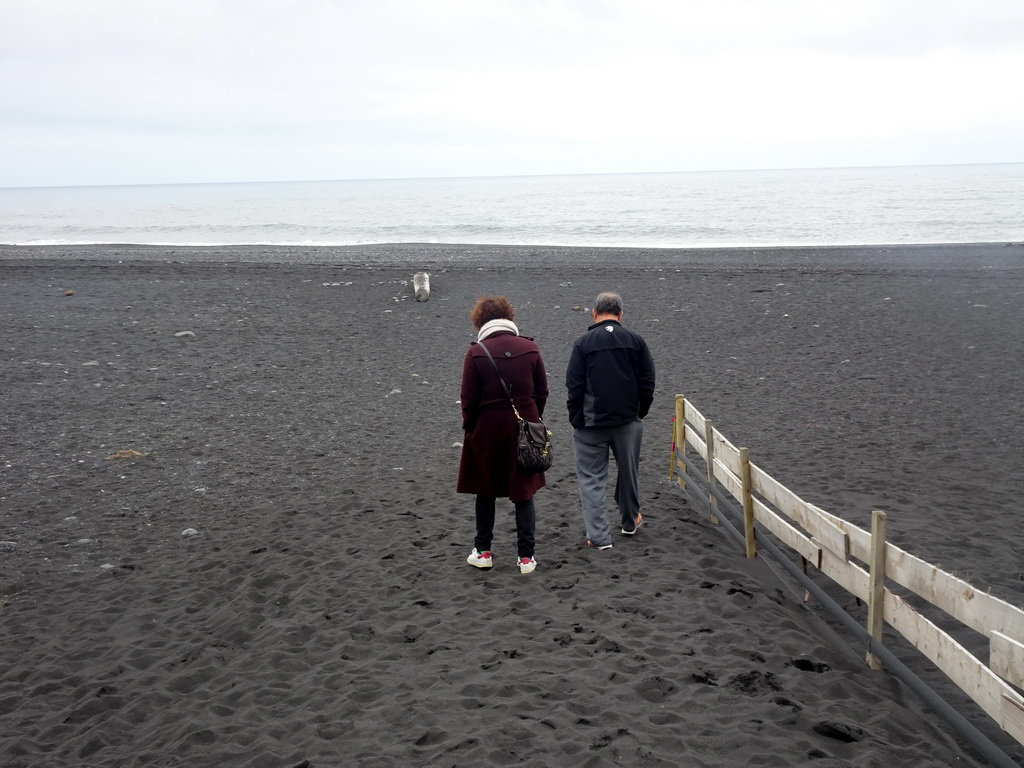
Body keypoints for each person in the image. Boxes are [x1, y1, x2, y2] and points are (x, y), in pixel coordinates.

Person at [457, 296, 548, 574]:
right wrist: (532, 420)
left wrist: (470, 427)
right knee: (524, 493)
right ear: (509, 317)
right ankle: (525, 558)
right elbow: (542, 392)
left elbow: (468, 399)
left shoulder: (476, 352)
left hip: (487, 428)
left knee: (485, 491)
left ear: (480, 320)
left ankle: (483, 551)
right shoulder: (530, 348)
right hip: (524, 428)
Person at [566, 291, 655, 550]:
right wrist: (640, 411)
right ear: (620, 315)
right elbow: (647, 381)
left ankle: (600, 537)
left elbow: (574, 384)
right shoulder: (635, 341)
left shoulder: (583, 343)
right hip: (627, 420)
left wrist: (576, 417)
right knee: (628, 472)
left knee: (592, 478)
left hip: (591, 422)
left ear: (594, 313)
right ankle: (629, 521)